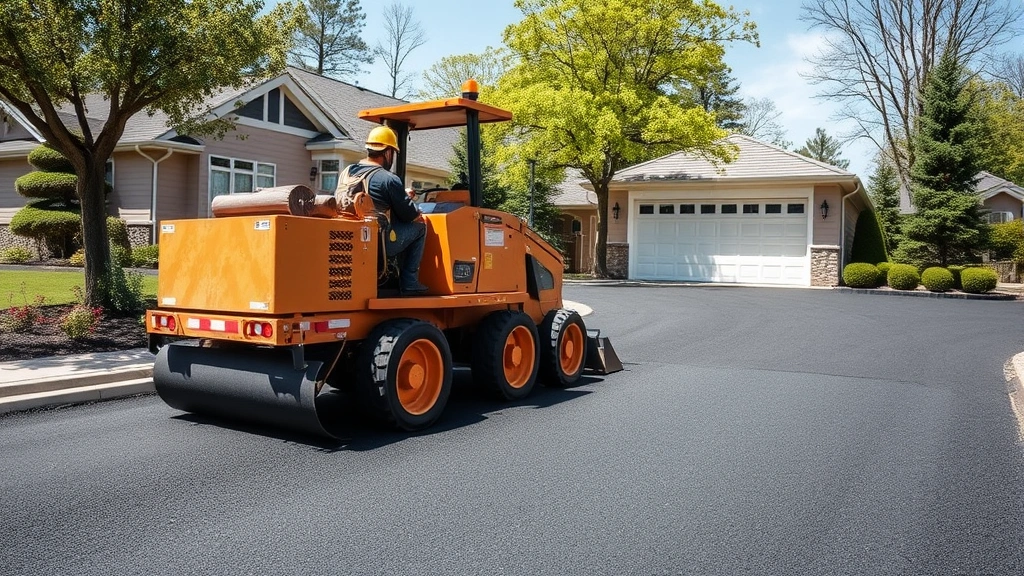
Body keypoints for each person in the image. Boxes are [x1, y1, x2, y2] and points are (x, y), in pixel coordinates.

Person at [342, 126, 429, 295]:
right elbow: (411, 215)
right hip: (376, 244)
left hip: (350, 238)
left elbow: (370, 197)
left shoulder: (348, 172)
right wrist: (409, 203)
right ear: (388, 152)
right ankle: (409, 281)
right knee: (420, 226)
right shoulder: (388, 179)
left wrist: (401, 195)